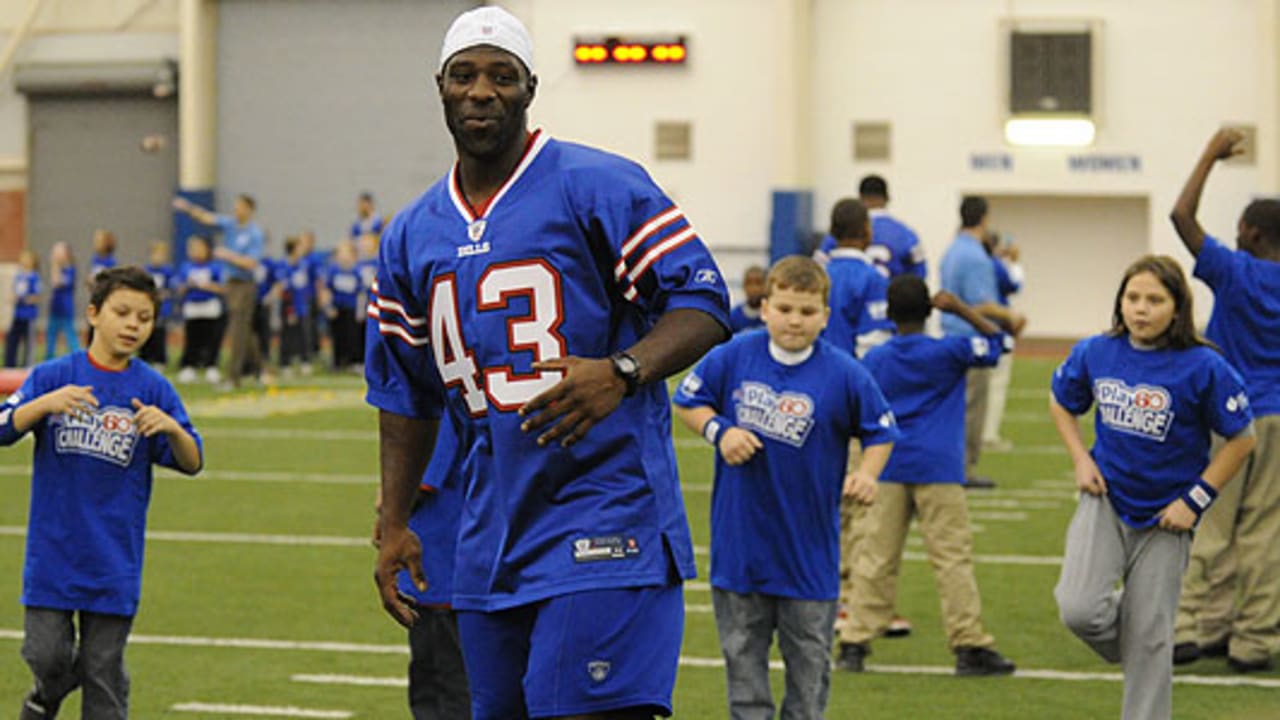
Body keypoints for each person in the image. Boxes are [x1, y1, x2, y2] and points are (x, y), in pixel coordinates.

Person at [366, 7, 730, 720]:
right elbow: (406, 395)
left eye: (502, 77)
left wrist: (622, 370)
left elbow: (705, 302)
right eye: (464, 75)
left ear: (529, 89)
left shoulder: (597, 184)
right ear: (439, 86)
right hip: (488, 529)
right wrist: (396, 522)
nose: (481, 92)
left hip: (604, 508)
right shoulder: (411, 233)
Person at [672, 255, 897, 720]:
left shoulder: (845, 372)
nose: (795, 320)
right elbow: (688, 400)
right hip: (740, 551)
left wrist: (869, 474)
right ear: (766, 306)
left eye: (807, 311)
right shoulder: (734, 354)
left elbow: (881, 430)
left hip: (809, 555)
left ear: (825, 317)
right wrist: (720, 432)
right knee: (744, 673)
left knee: (809, 674)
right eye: (786, 308)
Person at [1050, 255, 1255, 720]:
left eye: (1155, 300)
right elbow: (1061, 401)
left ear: (1177, 307)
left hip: (1168, 518)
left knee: (1151, 640)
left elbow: (1242, 439)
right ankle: (1145, 636)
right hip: (1105, 501)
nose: (1141, 309)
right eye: (1132, 298)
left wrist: (1194, 500)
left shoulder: (1204, 365)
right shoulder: (1095, 352)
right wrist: (1080, 459)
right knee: (1079, 609)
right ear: (1119, 302)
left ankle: (1148, 649)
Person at [1, 266, 204, 720]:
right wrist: (42, 405)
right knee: (47, 656)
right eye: (123, 313)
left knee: (103, 672)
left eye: (145, 317)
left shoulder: (152, 388)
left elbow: (193, 461)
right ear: (94, 313)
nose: (134, 325)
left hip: (115, 558)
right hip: (53, 555)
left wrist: (172, 429)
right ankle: (44, 696)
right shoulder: (53, 376)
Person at [836, 275, 1017, 677]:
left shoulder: (877, 359)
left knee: (876, 556)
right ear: (931, 309)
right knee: (951, 558)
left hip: (888, 466)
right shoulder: (949, 351)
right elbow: (1002, 343)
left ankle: (854, 640)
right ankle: (968, 643)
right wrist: (962, 310)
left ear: (890, 312)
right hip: (939, 466)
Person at [1169, 128, 1280, 673]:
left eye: (1240, 228)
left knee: (1208, 523)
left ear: (1254, 233)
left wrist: (1209, 153)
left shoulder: (1235, 271)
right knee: (1266, 530)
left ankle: (1187, 625)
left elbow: (1181, 218)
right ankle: (1253, 638)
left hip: (1232, 416)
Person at [371, 405, 473, 720]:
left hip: (440, 564)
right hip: (442, 564)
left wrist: (391, 508)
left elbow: (419, 474)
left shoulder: (438, 404)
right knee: (436, 683)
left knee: (445, 688)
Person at [938, 196, 1025, 488]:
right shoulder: (975, 255)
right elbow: (982, 304)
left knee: (956, 407)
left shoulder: (952, 250)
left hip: (949, 336)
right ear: (984, 218)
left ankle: (953, 465)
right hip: (970, 341)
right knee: (973, 409)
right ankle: (964, 469)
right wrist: (1011, 315)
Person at [172, 193, 264, 388]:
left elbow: (251, 263)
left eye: (240, 206)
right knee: (243, 330)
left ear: (249, 209)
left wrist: (228, 255)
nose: (236, 209)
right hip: (230, 282)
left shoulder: (254, 233)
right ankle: (259, 369)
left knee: (238, 329)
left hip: (244, 284)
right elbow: (208, 217)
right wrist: (188, 208)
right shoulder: (231, 225)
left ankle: (233, 377)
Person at [813, 175, 925, 279]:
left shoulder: (843, 229)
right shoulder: (906, 233)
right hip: (891, 296)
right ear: (887, 198)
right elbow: (920, 274)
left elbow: (816, 268)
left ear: (860, 197)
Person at [821, 198, 893, 358]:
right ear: (867, 230)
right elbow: (874, 341)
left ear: (832, 231)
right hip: (851, 375)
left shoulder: (817, 275)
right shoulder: (873, 279)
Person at [980, 230, 1025, 452]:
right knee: (996, 383)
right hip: (996, 329)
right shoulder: (994, 264)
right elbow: (1014, 285)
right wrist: (1014, 263)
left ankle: (978, 433)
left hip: (972, 331)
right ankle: (988, 434)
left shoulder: (971, 261)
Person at [174, 236, 226, 384]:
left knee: (211, 337)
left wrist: (207, 286)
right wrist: (188, 285)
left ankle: (211, 366)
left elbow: (223, 288)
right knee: (192, 338)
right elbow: (179, 287)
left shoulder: (215, 267)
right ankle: (189, 366)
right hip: (192, 307)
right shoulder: (186, 267)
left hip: (210, 306)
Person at [276, 235, 315, 376]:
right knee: (287, 334)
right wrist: (290, 308)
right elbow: (283, 288)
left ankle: (305, 360)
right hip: (289, 305)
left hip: (302, 304)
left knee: (304, 334)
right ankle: (285, 362)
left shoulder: (304, 264)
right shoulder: (284, 265)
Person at [322, 239, 364, 371]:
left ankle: (353, 361)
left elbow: (360, 293)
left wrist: (360, 311)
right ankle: (337, 361)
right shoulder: (333, 271)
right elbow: (327, 290)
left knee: (352, 335)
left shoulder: (356, 271)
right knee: (337, 335)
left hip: (350, 308)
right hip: (337, 308)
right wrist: (328, 307)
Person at [141, 241, 176, 369]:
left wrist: (164, 294)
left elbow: (172, 288)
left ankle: (160, 359)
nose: (158, 258)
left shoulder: (168, 271)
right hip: (148, 307)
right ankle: (145, 357)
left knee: (160, 334)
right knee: (146, 333)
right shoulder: (147, 270)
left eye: (161, 255)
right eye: (155, 255)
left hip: (162, 308)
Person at [6, 250, 41, 368]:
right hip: (18, 314)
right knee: (12, 340)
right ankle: (9, 364)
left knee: (28, 342)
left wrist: (25, 299)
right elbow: (14, 292)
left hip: (28, 315)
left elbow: (36, 297)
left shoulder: (34, 277)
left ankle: (27, 364)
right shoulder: (19, 276)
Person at [44, 242, 78, 361]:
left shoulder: (70, 269)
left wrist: (55, 265)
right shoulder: (60, 268)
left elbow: (57, 282)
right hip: (55, 306)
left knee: (70, 335)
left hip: (66, 307)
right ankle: (49, 359)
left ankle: (77, 358)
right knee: (51, 335)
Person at [727, 265, 766, 334]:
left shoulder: (772, 314)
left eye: (758, 283)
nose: (754, 288)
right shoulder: (733, 317)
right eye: (749, 283)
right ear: (743, 286)